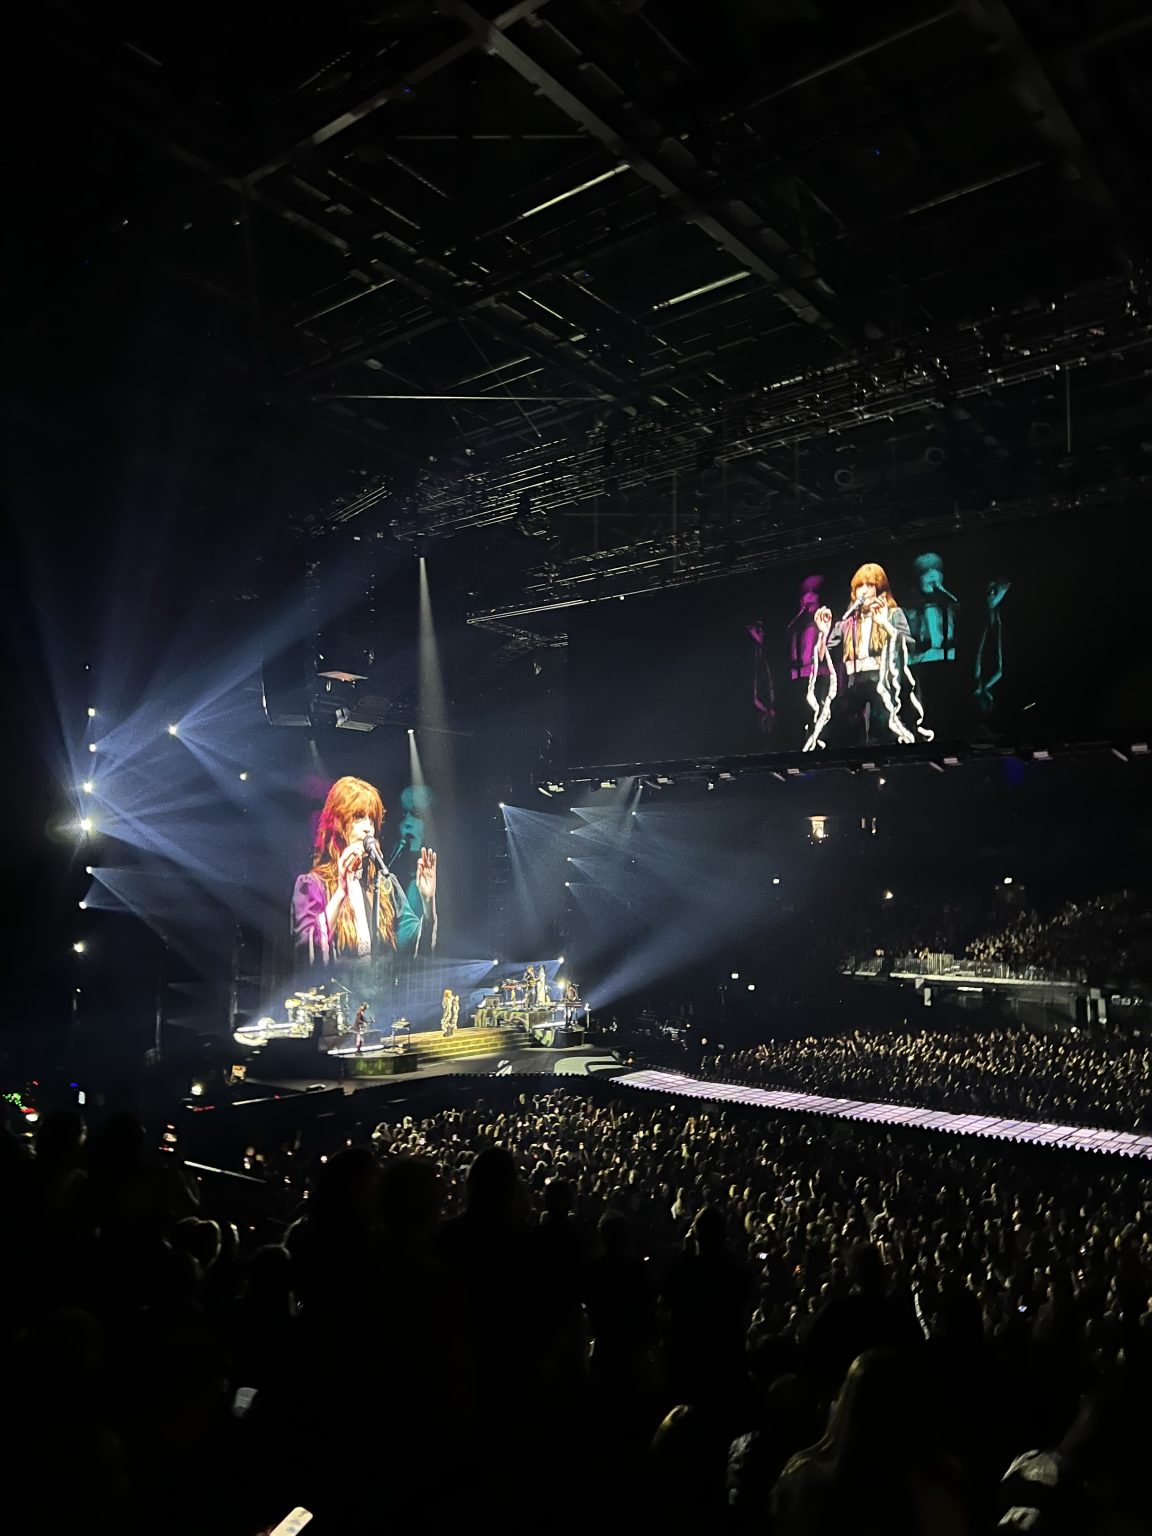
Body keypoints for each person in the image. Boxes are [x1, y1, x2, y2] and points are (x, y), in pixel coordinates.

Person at [291, 775, 437, 965]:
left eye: (372, 820)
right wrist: (341, 892)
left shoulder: (384, 885)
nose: (368, 828)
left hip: (383, 985)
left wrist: (428, 903)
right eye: (359, 817)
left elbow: (411, 948)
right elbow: (306, 956)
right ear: (337, 822)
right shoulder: (312, 885)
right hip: (336, 985)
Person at [804, 562, 933, 750]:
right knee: (845, 730)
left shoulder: (892, 614)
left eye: (870, 585)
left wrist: (884, 624)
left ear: (880, 589)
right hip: (852, 682)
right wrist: (823, 633)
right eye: (860, 586)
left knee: (884, 728)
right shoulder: (847, 621)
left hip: (880, 680)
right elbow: (825, 657)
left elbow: (907, 646)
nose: (864, 590)